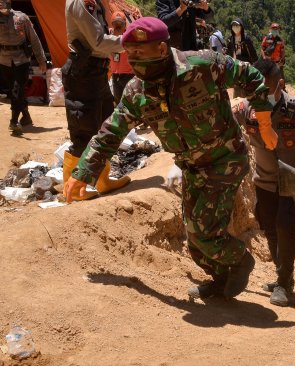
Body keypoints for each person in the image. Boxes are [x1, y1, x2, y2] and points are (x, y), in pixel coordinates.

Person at [64, 17, 280, 300]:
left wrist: (264, 119)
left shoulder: (202, 64)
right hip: (191, 165)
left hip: (224, 159)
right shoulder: (136, 92)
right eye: (131, 54)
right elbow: (110, 132)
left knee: (204, 232)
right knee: (193, 236)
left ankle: (240, 261)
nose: (136, 59)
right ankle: (221, 279)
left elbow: (249, 75)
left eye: (142, 52)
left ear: (162, 49)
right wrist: (83, 170)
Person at [232, 59, 295, 306]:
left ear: (281, 84)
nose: (262, 95)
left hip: (294, 181)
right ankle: (281, 275)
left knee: (285, 224)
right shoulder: (248, 108)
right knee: (269, 226)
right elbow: (225, 120)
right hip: (264, 180)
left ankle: (285, 284)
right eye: (257, 90)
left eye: (267, 89)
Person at [63, 0, 131, 201]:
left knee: (104, 124)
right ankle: (71, 188)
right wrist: (131, 41)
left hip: (97, 69)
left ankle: (102, 179)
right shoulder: (81, 2)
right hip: (83, 71)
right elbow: (98, 42)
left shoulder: (95, 2)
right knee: (84, 128)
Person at [0, 0, 46, 136]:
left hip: (21, 58)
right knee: (14, 90)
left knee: (17, 88)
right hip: (4, 59)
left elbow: (34, 39)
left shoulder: (21, 17)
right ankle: (26, 116)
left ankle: (14, 121)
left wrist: (41, 60)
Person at [109, 12, 134, 105]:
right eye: (116, 24)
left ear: (125, 24)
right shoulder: (108, 34)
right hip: (116, 75)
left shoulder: (129, 35)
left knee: (130, 101)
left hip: (129, 75)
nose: (118, 26)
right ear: (112, 24)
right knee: (118, 100)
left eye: (121, 24)